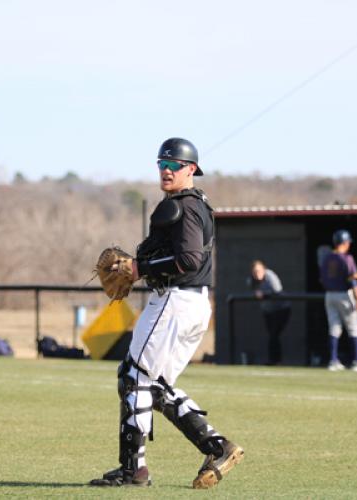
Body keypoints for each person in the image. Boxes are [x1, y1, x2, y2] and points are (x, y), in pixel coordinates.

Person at [90, 138, 243, 489]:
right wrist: (140, 264)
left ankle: (134, 471)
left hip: (176, 302)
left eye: (174, 164)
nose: (167, 170)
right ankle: (217, 448)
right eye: (162, 164)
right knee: (154, 386)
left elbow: (189, 259)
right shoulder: (189, 204)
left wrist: (139, 267)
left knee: (133, 376)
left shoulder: (186, 205)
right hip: (188, 304)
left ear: (192, 169)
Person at [319, 229, 357, 372]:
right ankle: (356, 360)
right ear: (344, 242)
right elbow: (353, 280)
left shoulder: (327, 258)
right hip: (344, 294)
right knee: (353, 328)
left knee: (334, 328)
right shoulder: (346, 258)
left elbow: (322, 279)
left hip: (329, 295)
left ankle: (333, 360)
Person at [247, 260, 291, 365]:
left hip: (281, 309)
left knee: (274, 335)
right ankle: (274, 360)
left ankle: (275, 360)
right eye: (254, 272)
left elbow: (277, 291)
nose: (257, 274)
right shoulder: (252, 281)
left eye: (259, 271)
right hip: (268, 311)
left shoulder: (270, 275)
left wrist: (264, 294)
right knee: (272, 335)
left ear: (263, 269)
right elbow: (252, 289)